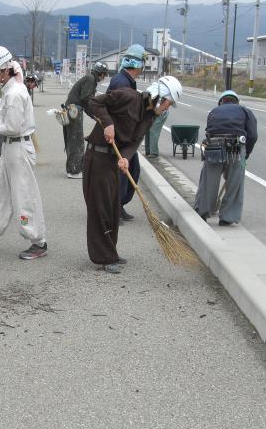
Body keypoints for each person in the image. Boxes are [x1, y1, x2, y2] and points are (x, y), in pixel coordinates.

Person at [84, 76, 182, 273]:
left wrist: (126, 157)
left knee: (113, 208)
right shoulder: (127, 96)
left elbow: (135, 141)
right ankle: (103, 257)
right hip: (98, 157)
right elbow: (94, 102)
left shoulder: (149, 116)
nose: (167, 108)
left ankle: (111, 252)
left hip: (113, 161)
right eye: (168, 103)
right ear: (160, 97)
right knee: (100, 208)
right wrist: (108, 123)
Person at [0, 46, 48, 260]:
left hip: (18, 149)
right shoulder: (11, 90)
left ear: (5, 70)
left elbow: (13, 127)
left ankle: (38, 241)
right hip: (11, 148)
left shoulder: (14, 93)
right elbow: (11, 115)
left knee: (24, 196)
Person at [194, 89, 258, 226]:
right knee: (235, 182)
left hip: (213, 146)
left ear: (221, 102)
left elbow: (209, 131)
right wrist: (246, 153)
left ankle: (202, 212)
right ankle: (227, 217)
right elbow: (253, 135)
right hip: (236, 147)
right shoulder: (245, 111)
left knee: (208, 181)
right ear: (236, 102)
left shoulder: (214, 111)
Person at [107, 44, 146, 222]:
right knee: (122, 175)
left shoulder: (127, 80)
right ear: (138, 64)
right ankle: (114, 210)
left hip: (124, 135)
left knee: (133, 171)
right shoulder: (121, 82)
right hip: (119, 136)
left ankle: (120, 205)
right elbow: (119, 111)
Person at [63, 61, 109, 179]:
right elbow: (87, 99)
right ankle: (74, 171)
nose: (104, 77)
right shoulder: (90, 79)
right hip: (74, 111)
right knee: (76, 141)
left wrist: (93, 116)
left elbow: (85, 100)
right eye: (104, 74)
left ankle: (74, 168)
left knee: (72, 140)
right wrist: (95, 113)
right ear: (100, 73)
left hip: (72, 109)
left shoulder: (89, 78)